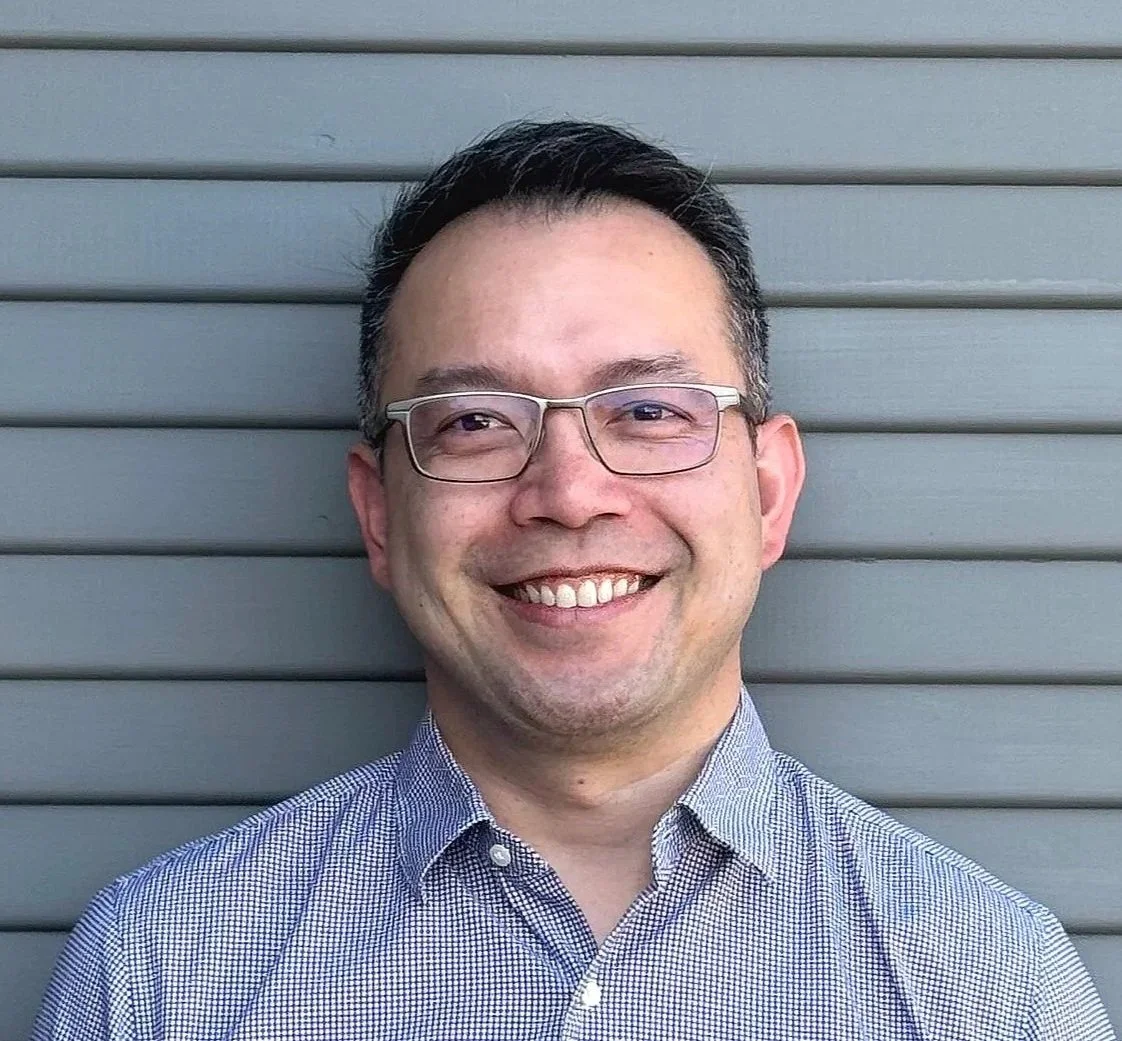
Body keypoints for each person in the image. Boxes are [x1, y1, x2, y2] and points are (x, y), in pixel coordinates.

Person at [33, 120, 1114, 1040]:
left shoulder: (992, 991)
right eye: (474, 422)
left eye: (647, 412)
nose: (568, 492)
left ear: (771, 490)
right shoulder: (165, 978)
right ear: (378, 514)